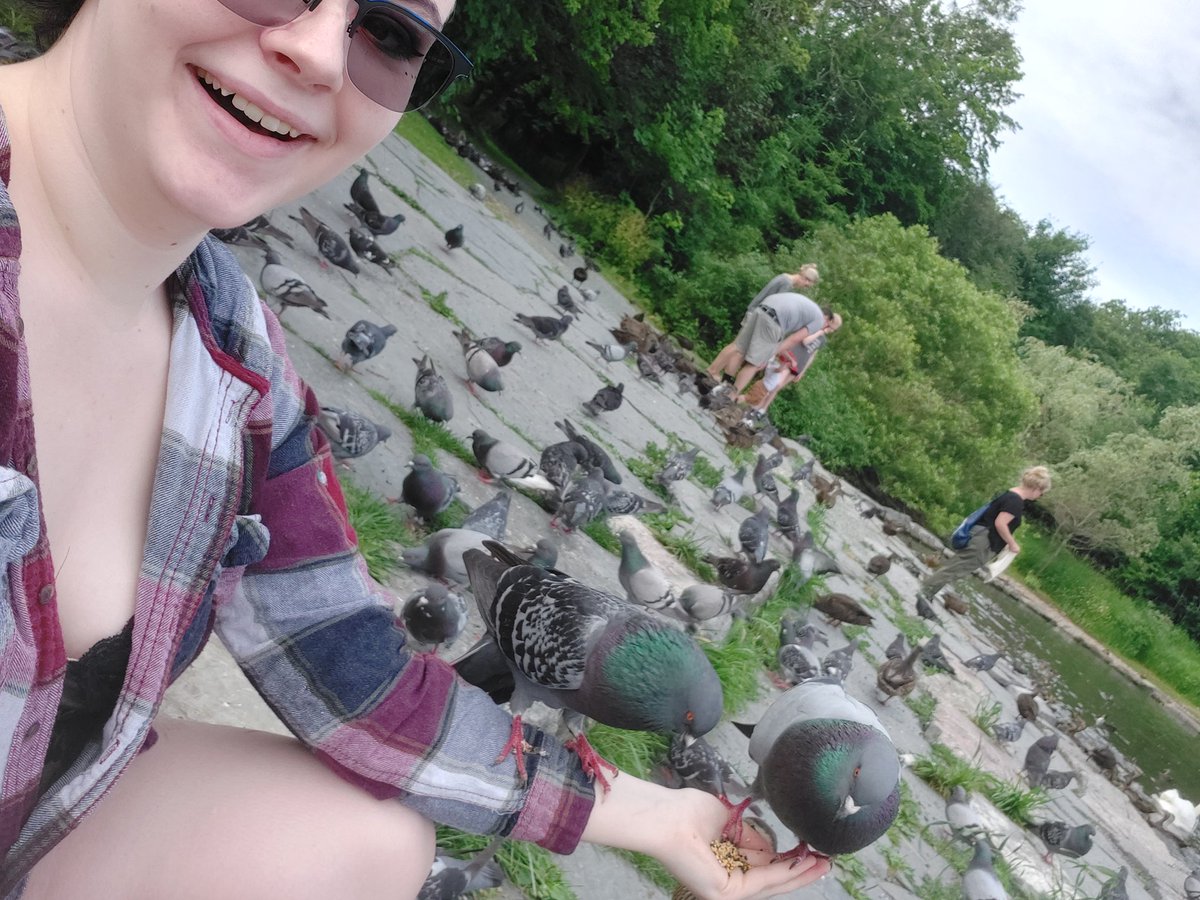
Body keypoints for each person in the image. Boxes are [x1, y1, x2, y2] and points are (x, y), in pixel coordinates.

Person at [0, 1, 830, 897]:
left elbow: (354, 667)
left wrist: (656, 815)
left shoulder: (236, 358)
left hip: (40, 793)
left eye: (393, 34)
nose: (319, 54)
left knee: (378, 842)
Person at [915, 467, 1052, 607]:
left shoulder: (1010, 494)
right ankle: (922, 592)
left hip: (981, 536)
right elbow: (1000, 523)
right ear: (1036, 488)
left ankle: (928, 594)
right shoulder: (1015, 501)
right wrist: (1012, 544)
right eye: (1041, 493)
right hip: (984, 541)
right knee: (956, 569)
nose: (1039, 497)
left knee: (957, 567)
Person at [706, 264, 819, 386]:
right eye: (806, 285)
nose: (804, 287)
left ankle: (724, 378)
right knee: (737, 346)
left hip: (757, 311)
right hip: (757, 313)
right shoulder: (786, 284)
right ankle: (713, 370)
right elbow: (777, 307)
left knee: (739, 350)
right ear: (805, 279)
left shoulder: (784, 278)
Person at [743, 313, 842, 423]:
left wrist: (803, 371)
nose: (831, 331)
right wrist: (820, 331)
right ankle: (755, 406)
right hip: (790, 358)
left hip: (799, 364)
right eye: (832, 328)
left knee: (778, 387)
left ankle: (762, 409)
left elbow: (812, 354)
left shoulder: (823, 340)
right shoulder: (814, 327)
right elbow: (805, 341)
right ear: (829, 322)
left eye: (834, 330)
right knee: (775, 384)